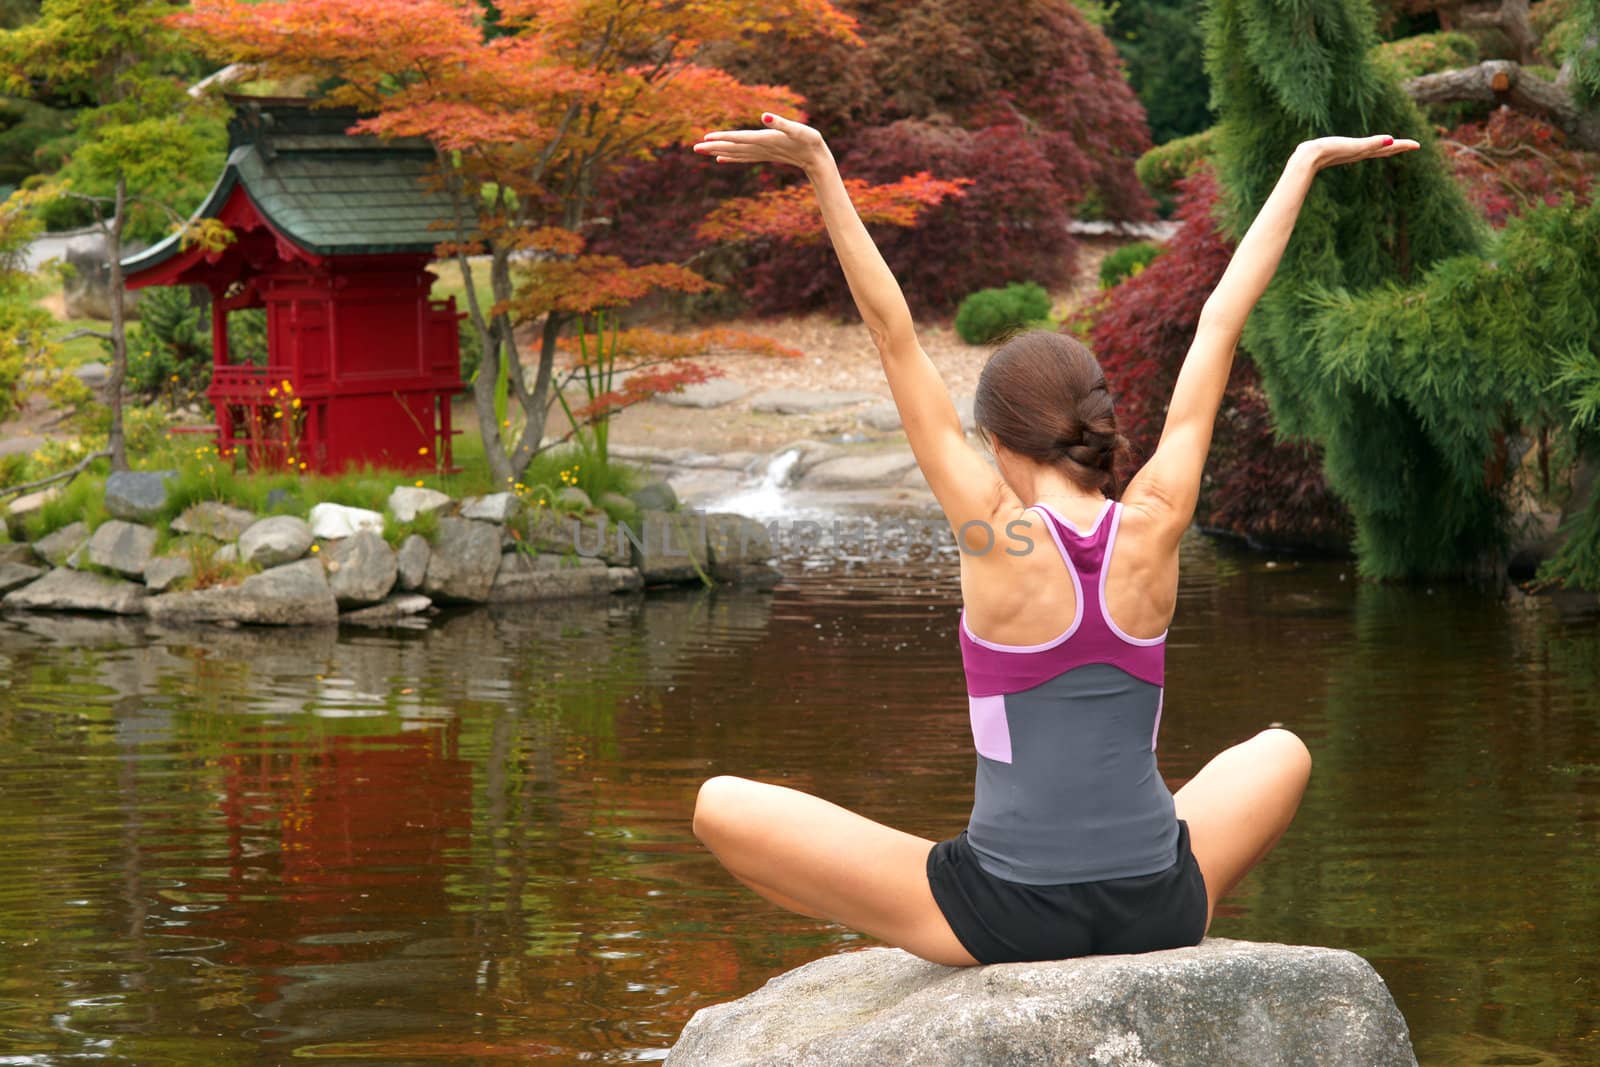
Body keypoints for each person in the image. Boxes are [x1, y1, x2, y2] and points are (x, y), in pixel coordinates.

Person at [689, 113, 1419, 967]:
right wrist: (1301, 164)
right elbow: (1222, 319)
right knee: (1283, 752)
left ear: (996, 442)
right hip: (1162, 905)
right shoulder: (1159, 518)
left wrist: (820, 167)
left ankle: (903, 935)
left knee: (718, 805)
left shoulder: (987, 531)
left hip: (1007, 916)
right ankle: (1126, 877)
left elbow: (894, 336)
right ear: (1096, 426)